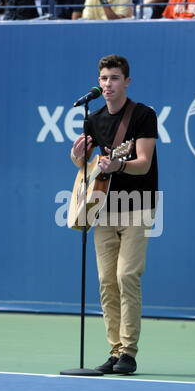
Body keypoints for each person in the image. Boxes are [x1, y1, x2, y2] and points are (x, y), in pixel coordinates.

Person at [70, 54, 158, 374]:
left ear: (127, 82)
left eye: (115, 78)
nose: (108, 85)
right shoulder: (92, 119)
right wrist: (76, 155)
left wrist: (118, 163)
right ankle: (114, 350)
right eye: (104, 79)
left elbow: (144, 162)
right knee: (107, 282)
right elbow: (87, 169)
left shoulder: (144, 115)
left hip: (138, 206)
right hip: (102, 209)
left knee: (126, 276)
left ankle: (129, 353)